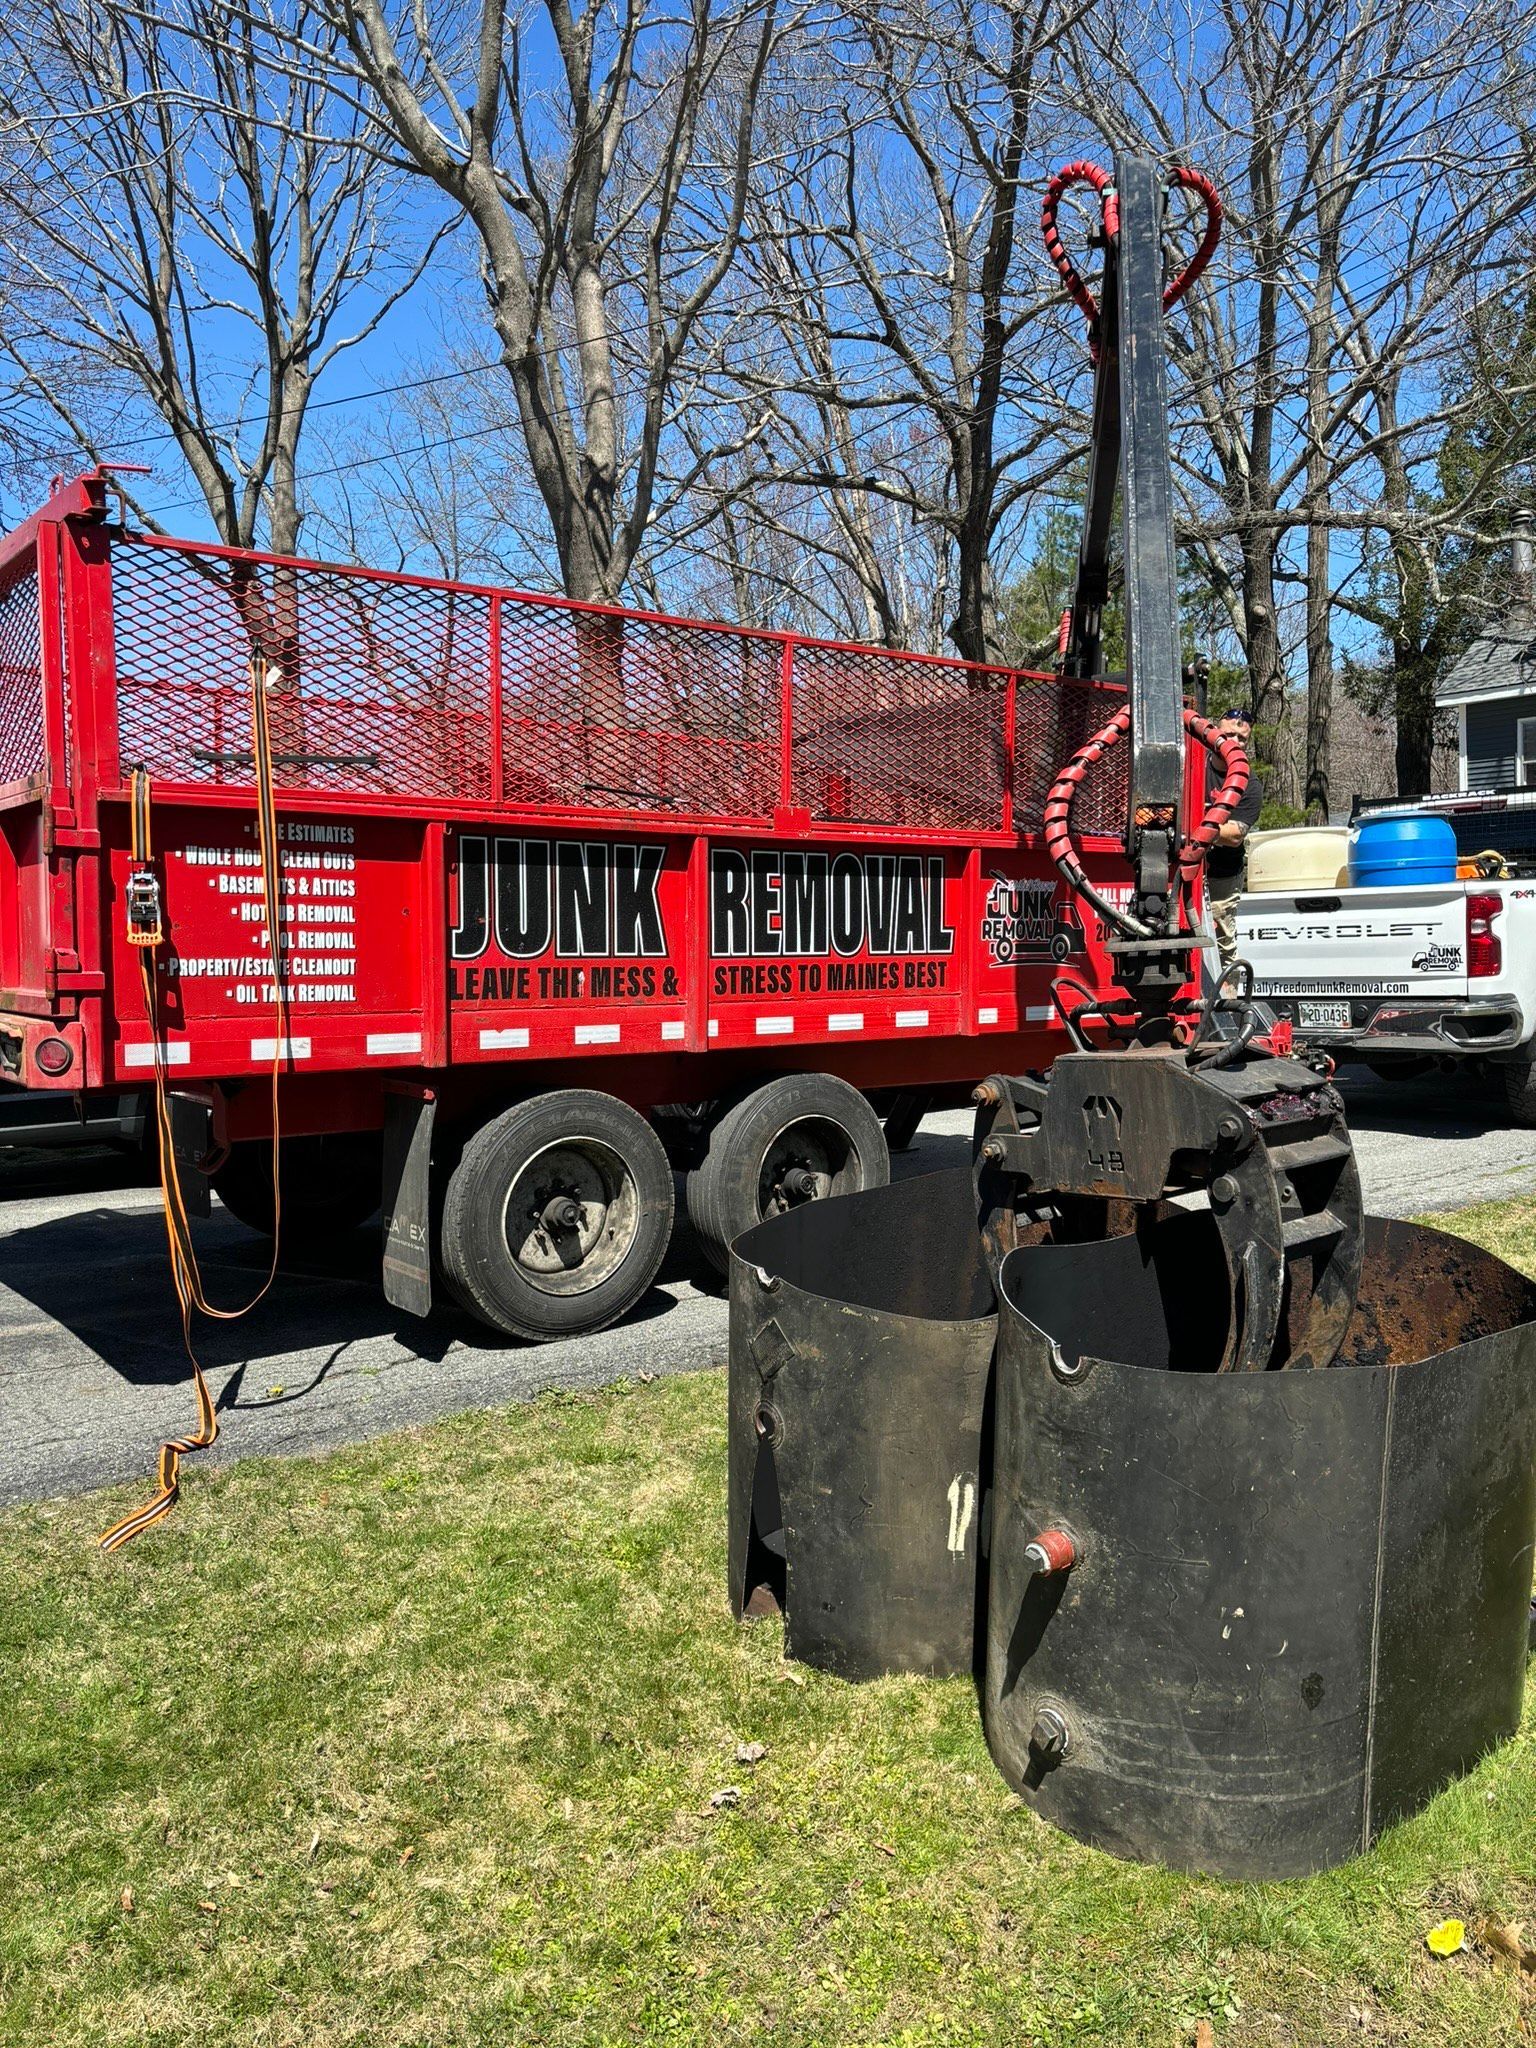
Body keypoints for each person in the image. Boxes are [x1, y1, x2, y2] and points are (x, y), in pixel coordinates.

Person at [1205, 704, 1262, 976]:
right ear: (1215, 732)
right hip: (1181, 872)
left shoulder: (1249, 783)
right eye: (1229, 735)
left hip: (1222, 878)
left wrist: (1196, 826)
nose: (1235, 742)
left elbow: (1235, 834)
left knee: (1221, 944)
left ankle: (1225, 1005)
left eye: (1242, 739)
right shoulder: (1194, 766)